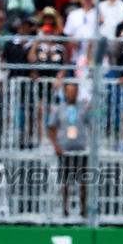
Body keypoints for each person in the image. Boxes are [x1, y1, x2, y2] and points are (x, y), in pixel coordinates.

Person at [47, 81, 90, 217]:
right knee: (64, 182)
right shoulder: (59, 109)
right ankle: (65, 209)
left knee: (82, 181)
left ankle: (83, 209)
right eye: (68, 91)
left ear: (77, 93)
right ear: (65, 93)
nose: (71, 94)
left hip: (80, 149)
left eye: (73, 91)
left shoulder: (84, 108)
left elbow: (92, 123)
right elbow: (51, 128)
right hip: (64, 149)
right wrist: (55, 145)